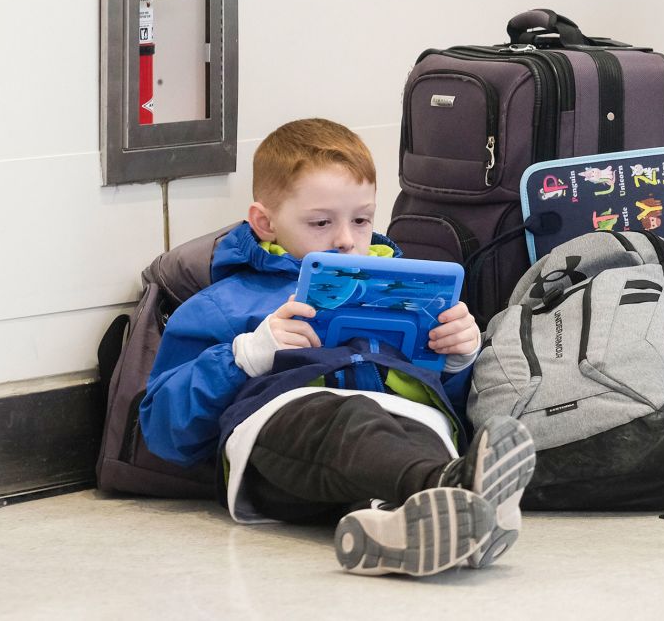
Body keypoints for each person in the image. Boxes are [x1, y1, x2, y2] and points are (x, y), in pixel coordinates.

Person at [139, 118, 535, 577]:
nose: (347, 239)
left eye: (362, 220)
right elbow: (164, 431)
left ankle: (400, 530)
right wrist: (243, 355)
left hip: (398, 440)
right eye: (321, 222)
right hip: (282, 451)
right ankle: (455, 489)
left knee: (414, 429)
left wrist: (458, 360)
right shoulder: (225, 304)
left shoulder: (410, 291)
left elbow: (454, 403)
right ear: (265, 222)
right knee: (350, 418)